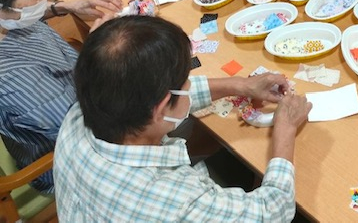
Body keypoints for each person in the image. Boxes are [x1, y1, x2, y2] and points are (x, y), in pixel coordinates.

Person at [54, 16, 312, 221]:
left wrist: (241, 85)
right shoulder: (177, 202)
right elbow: (274, 210)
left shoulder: (82, 111)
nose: (190, 86)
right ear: (161, 109)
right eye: (185, 82)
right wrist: (286, 128)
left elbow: (160, 96)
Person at [0, 0, 122, 193]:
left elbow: (21, 14)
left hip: (80, 90)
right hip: (76, 161)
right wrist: (97, 52)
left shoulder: (9, 20)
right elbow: (88, 127)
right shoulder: (15, 80)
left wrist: (68, 6)